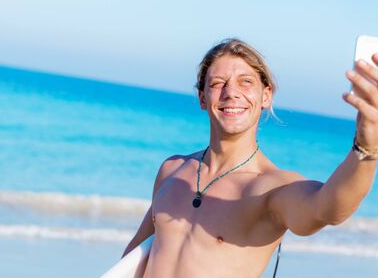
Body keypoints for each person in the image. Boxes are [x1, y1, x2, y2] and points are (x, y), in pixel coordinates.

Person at [122, 38, 378, 277]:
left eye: (245, 82)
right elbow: (132, 261)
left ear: (266, 96)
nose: (231, 92)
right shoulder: (172, 170)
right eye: (217, 83)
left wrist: (366, 148)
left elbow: (328, 208)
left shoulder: (271, 188)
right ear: (202, 98)